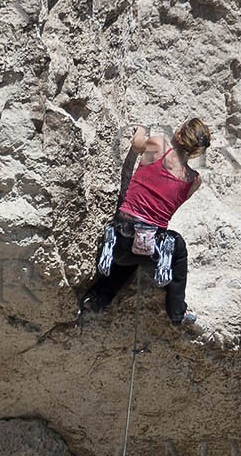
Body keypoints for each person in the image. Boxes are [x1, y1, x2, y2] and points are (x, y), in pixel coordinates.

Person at [79, 118, 210, 327]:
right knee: (176, 247)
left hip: (120, 242)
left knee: (129, 258)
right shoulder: (194, 180)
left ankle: (97, 299)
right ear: (197, 151)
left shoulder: (158, 146)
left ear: (179, 133)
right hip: (149, 248)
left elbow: (137, 142)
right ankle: (177, 313)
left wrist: (141, 129)